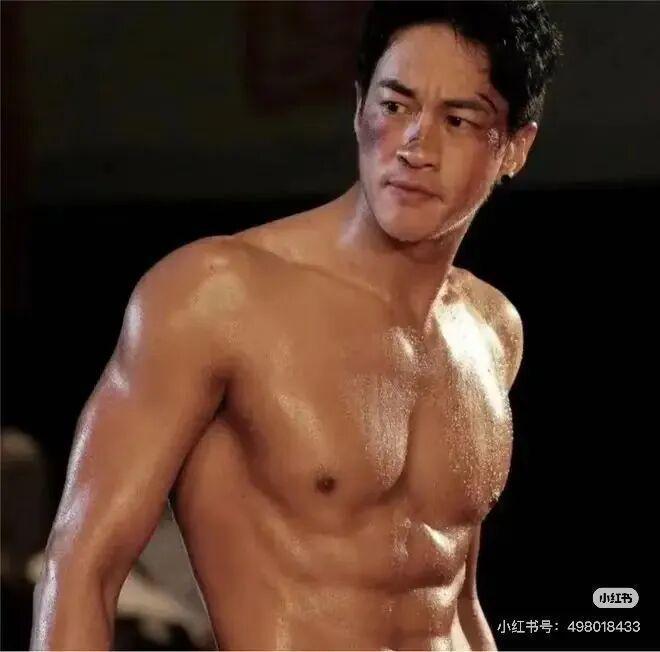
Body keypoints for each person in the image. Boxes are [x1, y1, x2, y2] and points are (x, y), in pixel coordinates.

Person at [31, 2, 562, 649]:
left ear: (515, 148)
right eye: (395, 106)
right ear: (359, 108)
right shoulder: (217, 293)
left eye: (457, 119)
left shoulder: (491, 329)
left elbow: (454, 598)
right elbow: (80, 569)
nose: (415, 146)